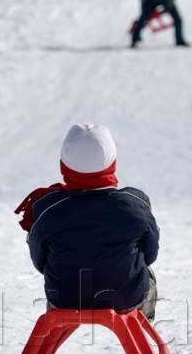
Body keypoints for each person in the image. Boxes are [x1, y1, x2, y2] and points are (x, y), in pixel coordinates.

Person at [14, 123, 159, 319]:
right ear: (112, 163)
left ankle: (48, 342)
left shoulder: (48, 208)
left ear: (64, 165)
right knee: (146, 273)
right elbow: (150, 253)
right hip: (125, 298)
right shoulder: (134, 204)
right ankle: (144, 331)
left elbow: (40, 260)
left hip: (65, 298)